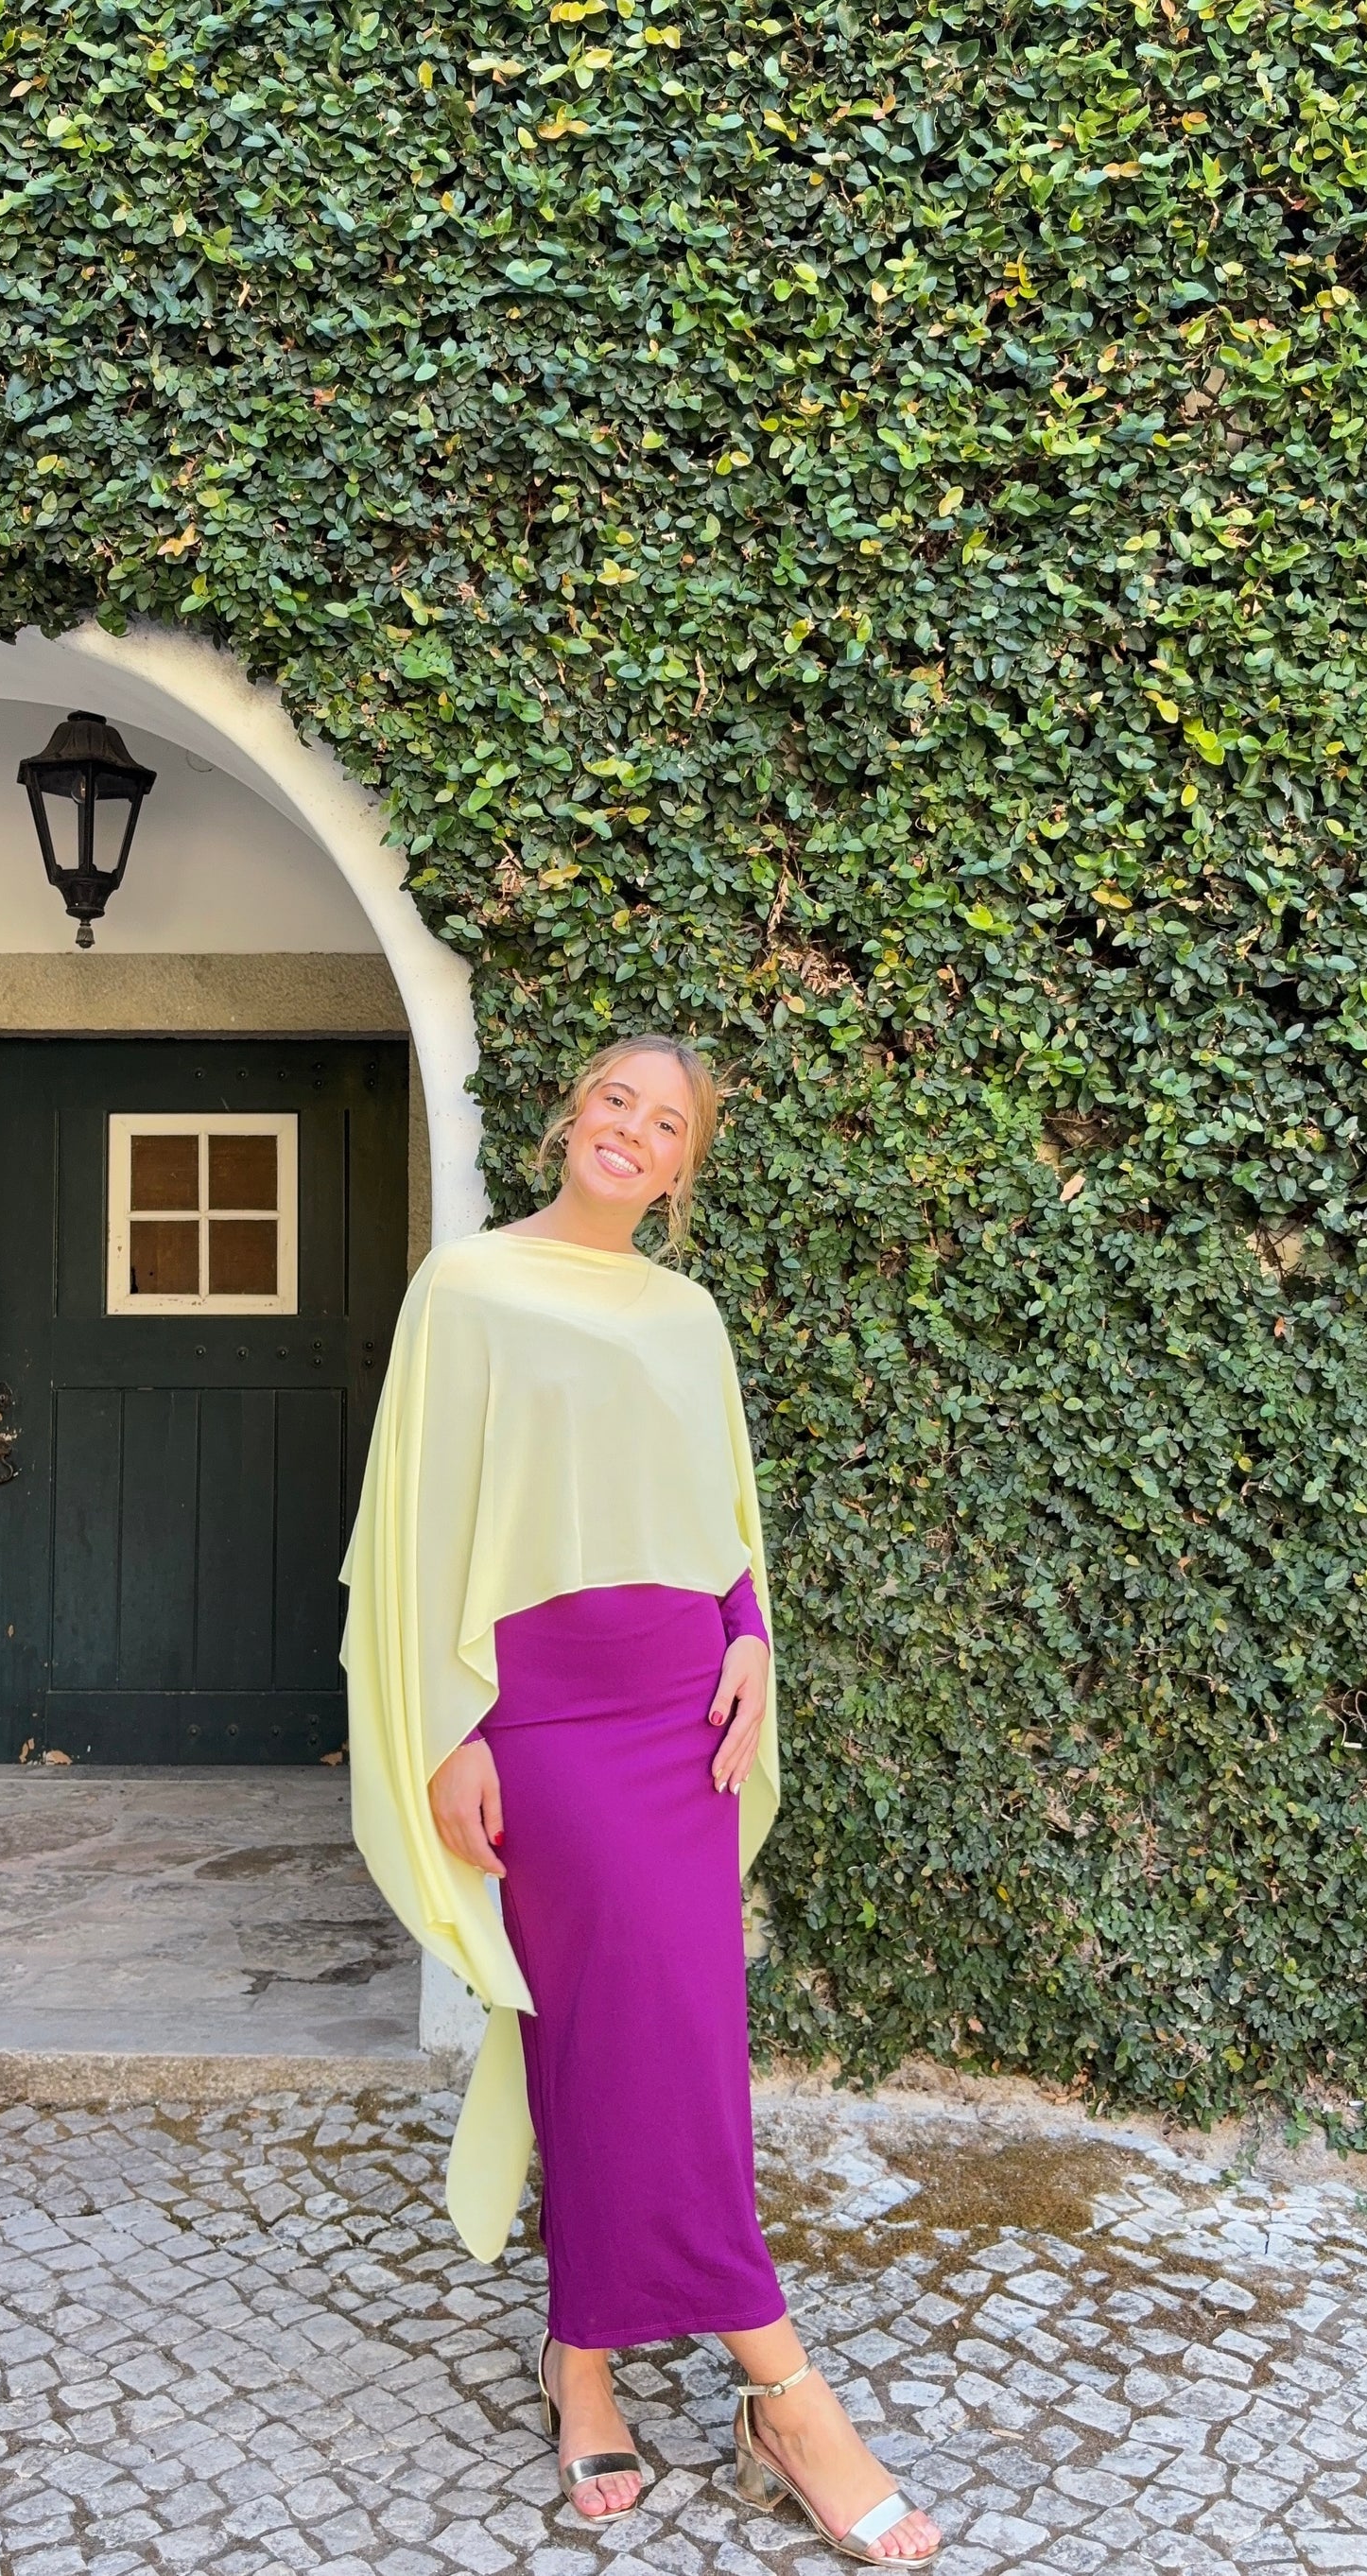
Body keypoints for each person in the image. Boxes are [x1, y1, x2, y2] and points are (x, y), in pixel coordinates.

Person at [341, 1035, 941, 2566]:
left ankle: (585, 2358)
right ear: (569, 1119)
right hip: (540, 1712)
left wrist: (749, 1638)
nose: (633, 1128)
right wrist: (451, 1728)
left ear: (683, 1168)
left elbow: (716, 1504)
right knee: (614, 2030)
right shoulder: (466, 1287)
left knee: (669, 2036)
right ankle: (783, 2393)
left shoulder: (686, 1315)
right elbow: (418, 1522)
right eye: (616, 1099)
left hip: (683, 1709)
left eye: (667, 1122)